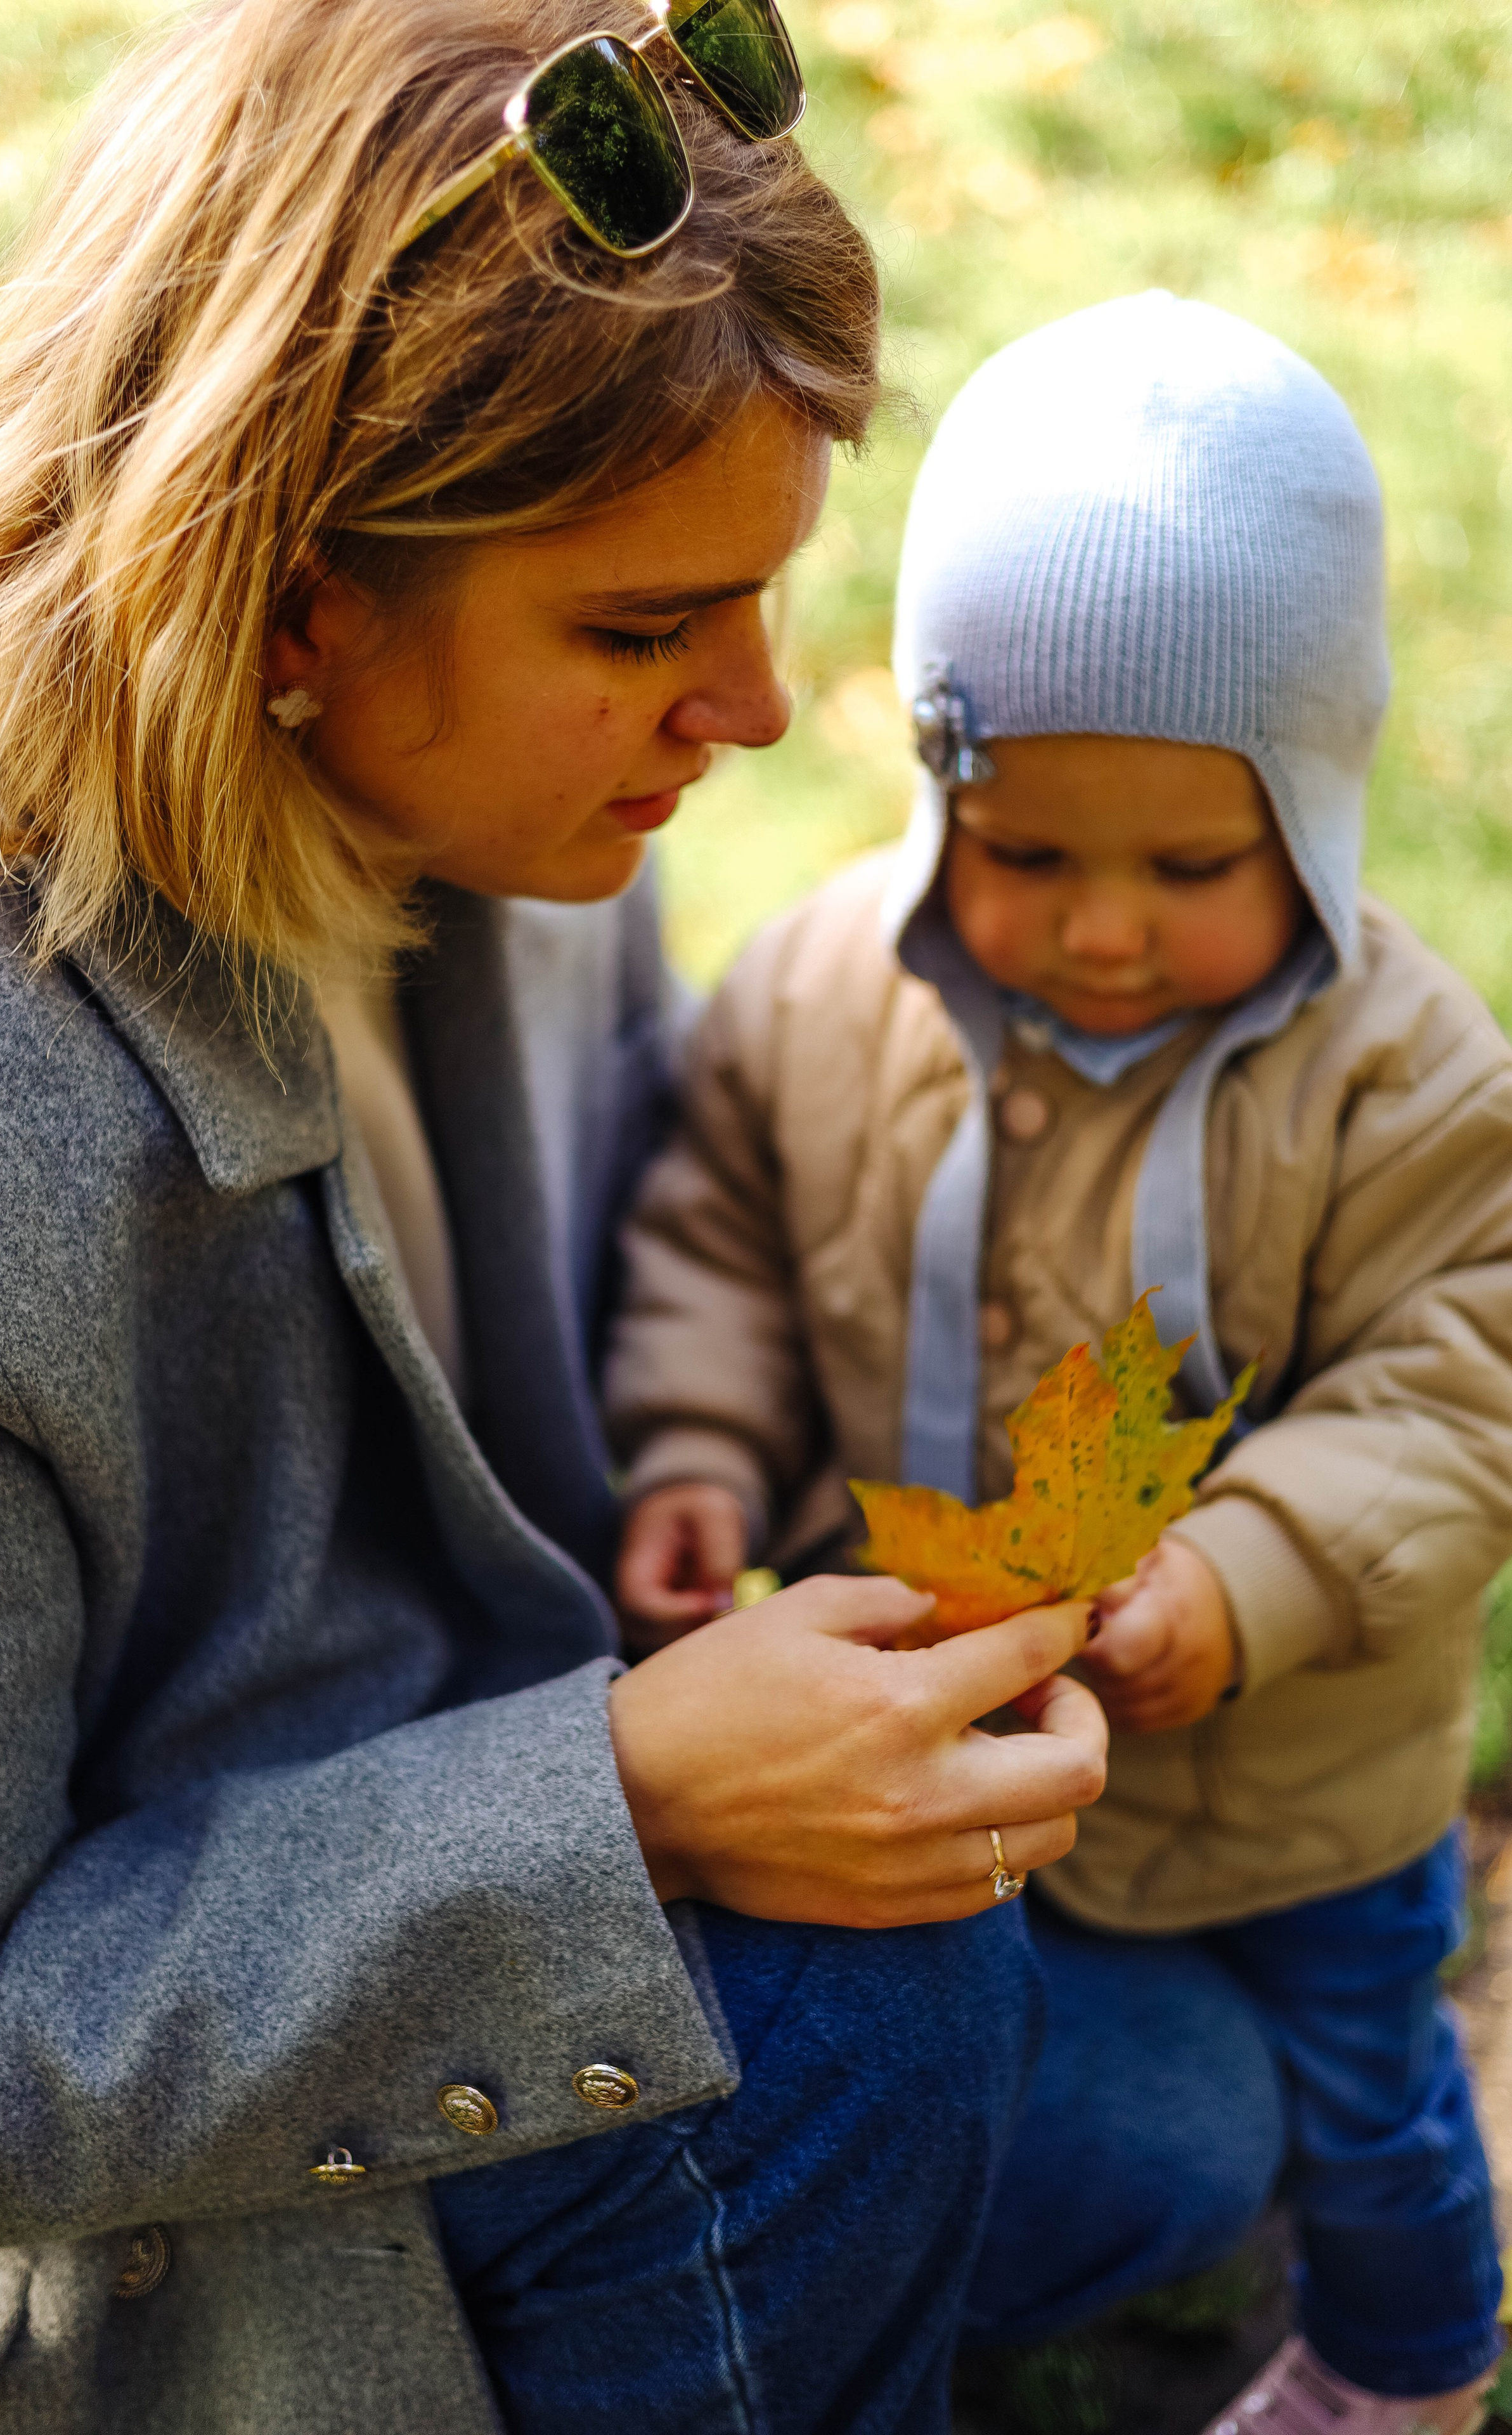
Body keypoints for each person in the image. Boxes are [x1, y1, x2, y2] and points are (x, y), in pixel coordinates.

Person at [0, 6, 1270, 2428]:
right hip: (150, 2244)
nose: (752, 709)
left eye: (756, 597)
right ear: (291, 606)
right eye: (642, 630)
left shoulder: (504, 827)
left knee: (1171, 2120)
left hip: (467, 1845)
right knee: (898, 2017)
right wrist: (624, 1803)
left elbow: (657, 1282)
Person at [608, 292, 1512, 2429]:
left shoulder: (1404, 1074)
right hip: (952, 1725)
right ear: (940, 794)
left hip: (1299, 1778)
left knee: (1371, 2084)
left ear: (1311, 806)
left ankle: (1411, 2362)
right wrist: (696, 1447)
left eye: (1190, 867)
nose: (1103, 928)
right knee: (1007, 2030)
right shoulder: (836, 993)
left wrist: (1252, 1575)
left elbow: (1458, 1382)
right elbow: (718, 1232)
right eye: (1028, 856)